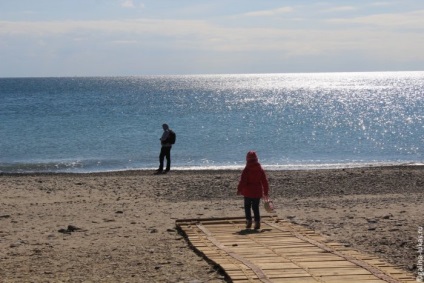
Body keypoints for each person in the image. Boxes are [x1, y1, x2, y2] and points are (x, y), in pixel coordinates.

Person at [237, 151, 269, 230]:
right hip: (257, 192)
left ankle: (249, 221)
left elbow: (243, 181)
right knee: (255, 207)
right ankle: (257, 222)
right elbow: (264, 181)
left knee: (247, 207)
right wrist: (266, 192)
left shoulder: (246, 169)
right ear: (256, 159)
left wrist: (239, 189)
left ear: (247, 159)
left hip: (247, 192)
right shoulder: (260, 169)